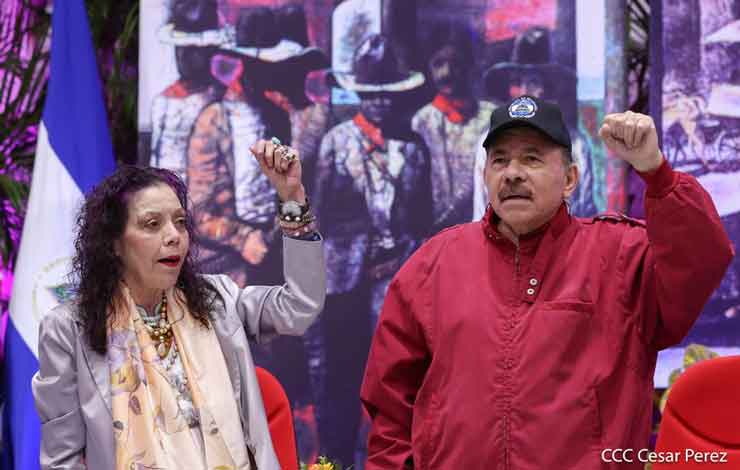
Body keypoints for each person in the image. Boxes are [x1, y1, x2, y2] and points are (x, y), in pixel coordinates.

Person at [360, 95, 734, 469]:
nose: (513, 173)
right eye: (500, 160)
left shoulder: (622, 255)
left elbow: (702, 259)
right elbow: (391, 406)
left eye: (532, 158)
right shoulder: (434, 264)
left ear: (569, 178)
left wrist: (657, 173)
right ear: (485, 175)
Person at [31, 139, 326, 470]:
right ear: (113, 242)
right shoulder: (69, 330)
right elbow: (62, 461)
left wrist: (292, 199)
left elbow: (299, 306)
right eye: (152, 224)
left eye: (180, 221)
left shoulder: (216, 300)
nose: (174, 235)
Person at [312, 33, 431, 466]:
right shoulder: (335, 143)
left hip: (395, 275)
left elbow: (421, 215)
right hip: (345, 280)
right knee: (342, 375)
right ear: (359, 93)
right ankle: (337, 458)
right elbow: (319, 215)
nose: (380, 103)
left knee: (395, 377)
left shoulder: (413, 149)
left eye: (388, 95)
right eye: (371, 94)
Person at [474, 26, 598, 218]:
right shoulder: (489, 142)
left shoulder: (576, 144)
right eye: (516, 82)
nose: (523, 92)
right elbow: (481, 216)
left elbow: (586, 215)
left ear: (548, 88)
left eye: (532, 83)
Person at [411, 21, 495, 232]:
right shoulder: (422, 121)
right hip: (435, 230)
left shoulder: (491, 116)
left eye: (456, 64)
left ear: (469, 66)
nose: (446, 73)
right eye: (438, 64)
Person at [150, 0, 226, 182]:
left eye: (193, 49)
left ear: (211, 50)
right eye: (180, 47)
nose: (183, 56)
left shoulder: (223, 105)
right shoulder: (162, 101)